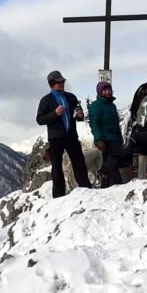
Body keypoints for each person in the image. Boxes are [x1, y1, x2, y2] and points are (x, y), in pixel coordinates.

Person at [36, 70, 92, 198]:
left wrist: (79, 115)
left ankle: (86, 190)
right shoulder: (46, 100)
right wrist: (55, 113)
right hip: (56, 138)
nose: (61, 84)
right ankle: (58, 196)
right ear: (51, 84)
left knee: (79, 162)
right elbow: (40, 119)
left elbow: (78, 114)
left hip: (71, 135)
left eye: (62, 82)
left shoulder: (71, 97)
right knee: (56, 167)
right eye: (58, 82)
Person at [88, 81, 123, 188]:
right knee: (114, 160)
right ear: (100, 92)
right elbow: (94, 123)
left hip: (115, 138)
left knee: (113, 163)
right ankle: (115, 182)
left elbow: (116, 124)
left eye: (109, 90)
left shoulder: (112, 106)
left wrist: (120, 139)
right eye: (105, 90)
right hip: (105, 139)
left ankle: (107, 184)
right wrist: (99, 139)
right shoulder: (96, 106)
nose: (108, 92)